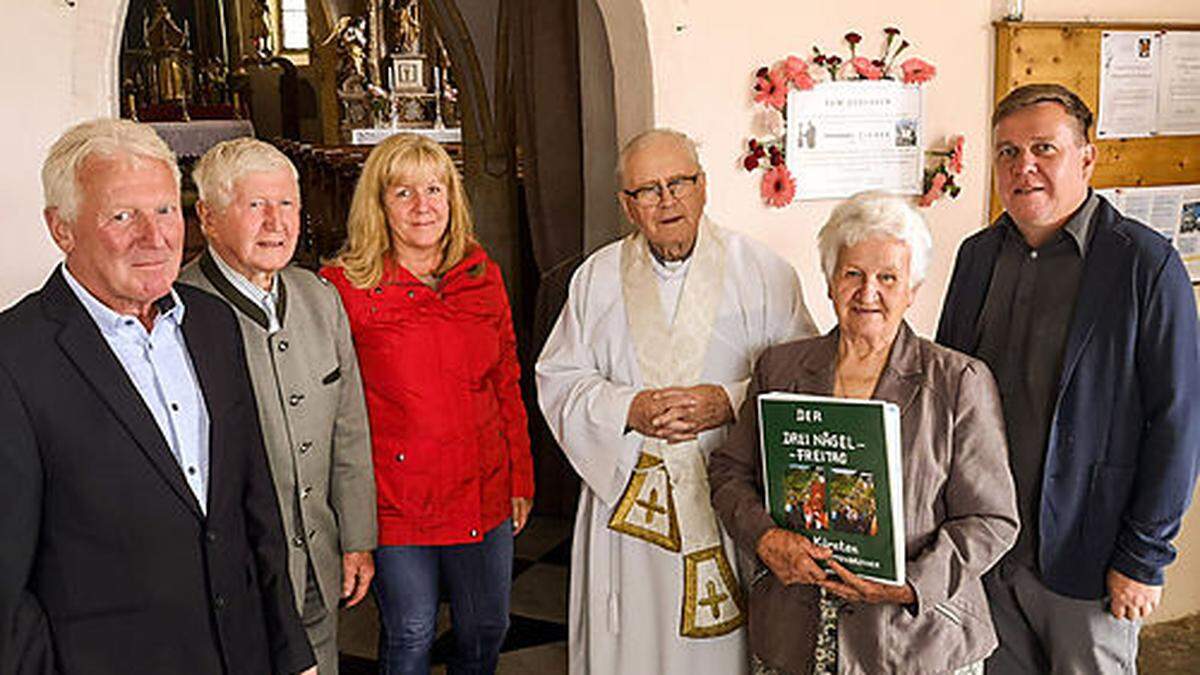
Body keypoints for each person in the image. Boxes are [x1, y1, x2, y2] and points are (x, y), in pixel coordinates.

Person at [0, 118, 315, 674]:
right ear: (62, 229)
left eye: (166, 210)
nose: (155, 236)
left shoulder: (213, 326)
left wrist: (291, 653)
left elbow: (253, 503)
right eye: (123, 216)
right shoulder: (15, 358)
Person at [936, 83, 1200, 674]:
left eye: (1043, 149)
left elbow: (1179, 424)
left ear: (1086, 158)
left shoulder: (1144, 264)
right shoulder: (977, 257)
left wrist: (1143, 558)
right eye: (1007, 152)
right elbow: (946, 393)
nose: (1022, 167)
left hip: (1091, 558)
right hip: (991, 552)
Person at [536, 128, 818, 674]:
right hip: (632, 510)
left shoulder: (764, 273)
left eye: (678, 183)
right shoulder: (595, 279)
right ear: (627, 204)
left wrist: (729, 401)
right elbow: (560, 378)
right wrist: (628, 408)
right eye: (647, 189)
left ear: (703, 186)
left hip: (728, 498)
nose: (666, 200)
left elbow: (802, 383)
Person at [708, 192, 1019, 675]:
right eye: (852, 273)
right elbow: (730, 472)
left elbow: (992, 519)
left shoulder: (958, 382)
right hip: (798, 632)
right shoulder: (779, 367)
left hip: (917, 639)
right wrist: (765, 538)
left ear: (912, 289)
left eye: (888, 277)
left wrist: (912, 583)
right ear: (830, 283)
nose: (867, 291)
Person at [320, 133, 533, 675]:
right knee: (411, 632)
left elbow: (507, 379)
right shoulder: (344, 287)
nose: (422, 206)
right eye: (403, 193)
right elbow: (334, 409)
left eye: (434, 189)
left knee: (488, 627)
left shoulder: (481, 274)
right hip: (397, 498)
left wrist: (520, 477)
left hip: (482, 486)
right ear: (379, 204)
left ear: (452, 198)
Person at [179, 138, 377, 675]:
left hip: (319, 558)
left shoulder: (319, 297)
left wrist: (357, 538)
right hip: (233, 579)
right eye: (256, 206)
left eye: (286, 204)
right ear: (209, 217)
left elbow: (349, 427)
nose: (276, 222)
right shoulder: (179, 312)